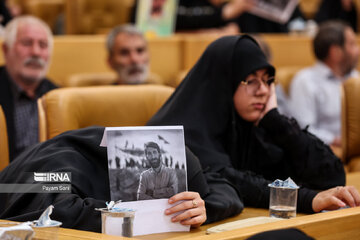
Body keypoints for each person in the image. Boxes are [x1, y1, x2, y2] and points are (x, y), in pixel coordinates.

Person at [147, 35, 360, 214]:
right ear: (224, 83)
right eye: (251, 81)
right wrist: (307, 199)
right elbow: (234, 181)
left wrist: (276, 120)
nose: (263, 91)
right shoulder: (180, 133)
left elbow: (330, 175)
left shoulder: (251, 127)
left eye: (268, 80)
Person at [0, 126, 243, 231]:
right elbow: (54, 212)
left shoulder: (180, 165)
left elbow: (222, 188)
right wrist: (158, 215)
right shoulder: (63, 160)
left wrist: (200, 210)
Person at [287, 20, 359, 147]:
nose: (357, 50)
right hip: (326, 153)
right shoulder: (305, 81)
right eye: (352, 44)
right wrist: (337, 141)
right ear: (335, 52)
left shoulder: (356, 77)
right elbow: (303, 130)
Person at [0, 16, 57, 161]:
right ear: (6, 50)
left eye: (43, 45)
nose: (36, 52)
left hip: (48, 180)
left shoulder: (59, 96)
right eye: (26, 43)